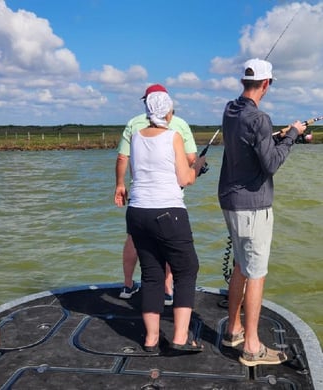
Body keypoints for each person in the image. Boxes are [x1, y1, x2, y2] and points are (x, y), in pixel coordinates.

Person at [218, 59, 307, 366]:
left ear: (245, 82)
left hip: (230, 200)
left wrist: (280, 137)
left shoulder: (231, 110)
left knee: (242, 265)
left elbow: (254, 147)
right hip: (252, 206)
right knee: (256, 273)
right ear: (267, 84)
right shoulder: (260, 118)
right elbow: (270, 164)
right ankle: (252, 347)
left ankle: (233, 329)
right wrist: (293, 136)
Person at [122, 89, 205, 352]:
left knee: (151, 274)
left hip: (137, 212)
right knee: (187, 270)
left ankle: (151, 339)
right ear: (168, 112)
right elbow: (185, 179)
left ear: (148, 112)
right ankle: (180, 338)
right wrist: (198, 166)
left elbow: (137, 172)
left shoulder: (135, 137)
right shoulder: (174, 136)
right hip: (169, 212)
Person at [115, 84, 197, 305]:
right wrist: (192, 170)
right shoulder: (179, 126)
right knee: (170, 243)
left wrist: (120, 185)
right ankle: (167, 288)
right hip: (170, 197)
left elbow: (123, 158)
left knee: (134, 240)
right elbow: (191, 159)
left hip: (139, 200)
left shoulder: (134, 124)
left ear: (147, 103)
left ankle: (127, 284)